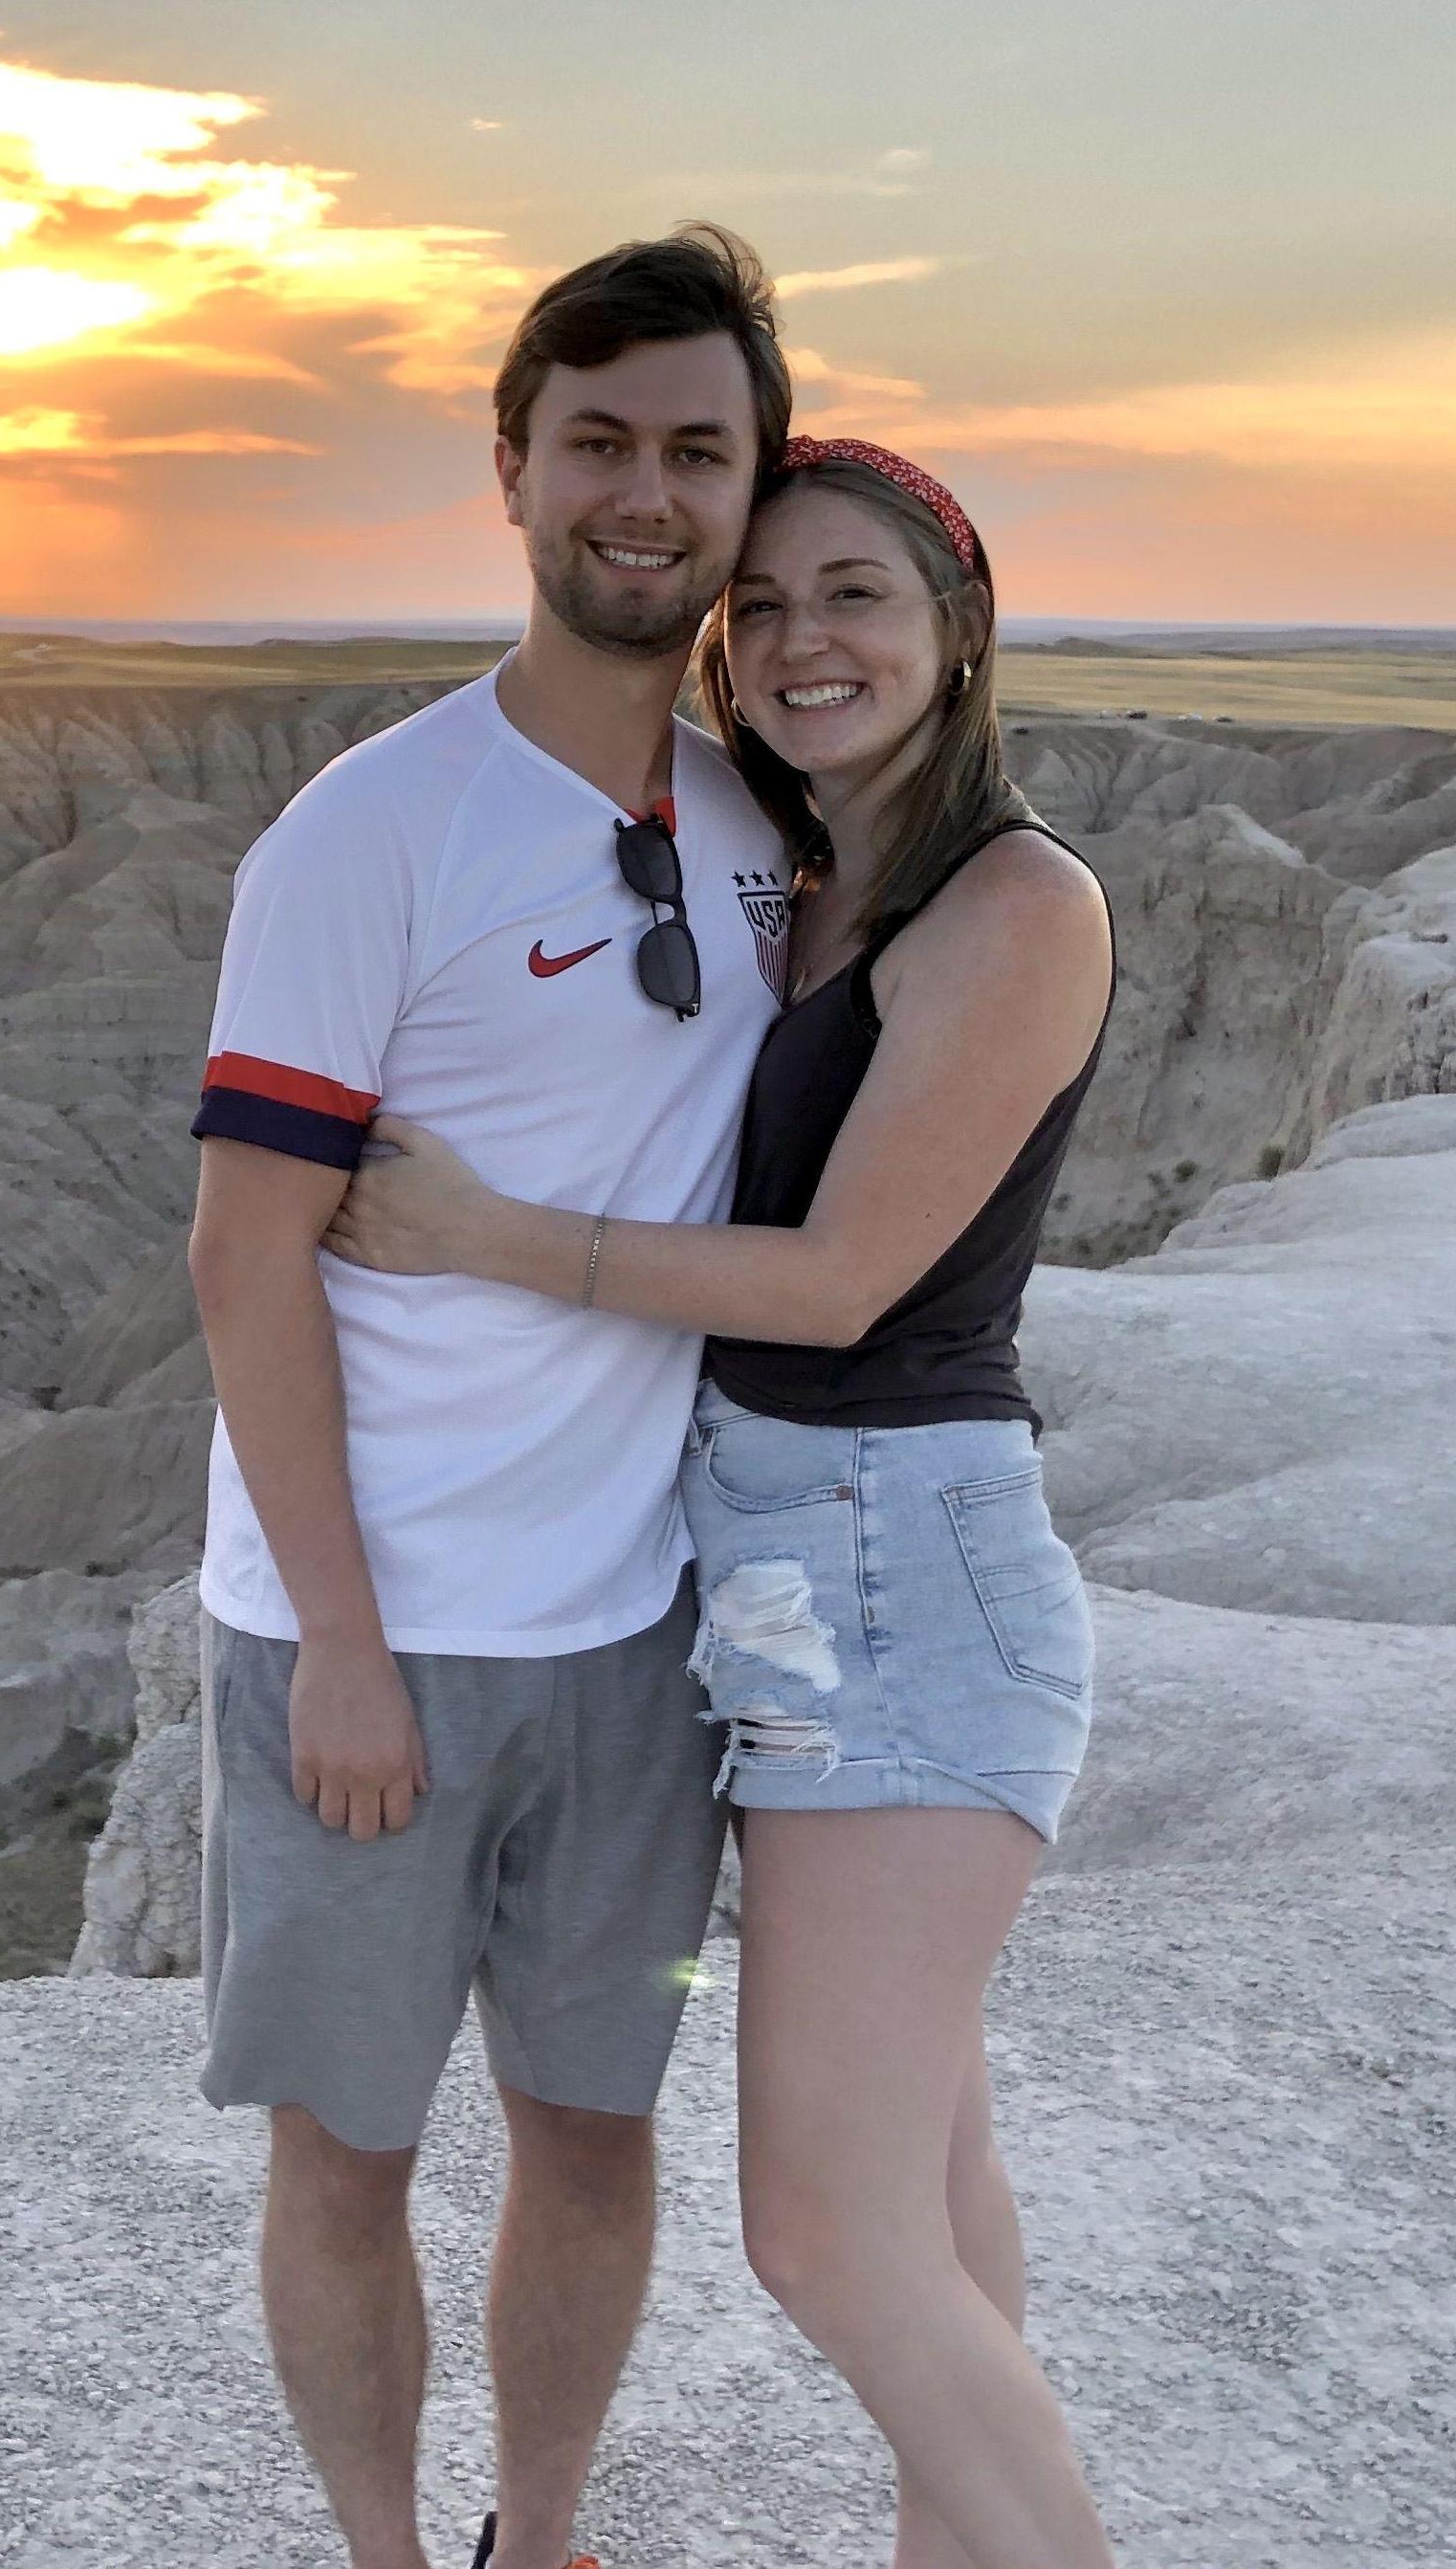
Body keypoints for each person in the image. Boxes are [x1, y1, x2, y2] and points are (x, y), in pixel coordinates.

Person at [328, 437, 1121, 2568]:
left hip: (898, 1575)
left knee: (827, 2238)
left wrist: (490, 1231)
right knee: (936, 2204)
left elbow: (841, 1277)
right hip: (795, 1573)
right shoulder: (807, 873)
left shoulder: (1014, 904)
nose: (796, 641)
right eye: (756, 606)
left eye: (853, 593)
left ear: (957, 625)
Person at [185, 225, 795, 2569]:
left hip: (635, 1652)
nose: (644, 493)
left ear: (746, 492)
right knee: (343, 2147)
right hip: (374, 1644)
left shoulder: (765, 835)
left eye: (695, 451)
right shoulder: (372, 828)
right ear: (514, 472)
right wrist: (335, 1633)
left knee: (593, 2120)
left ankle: (537, 2539)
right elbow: (246, 1254)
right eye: (599, 442)